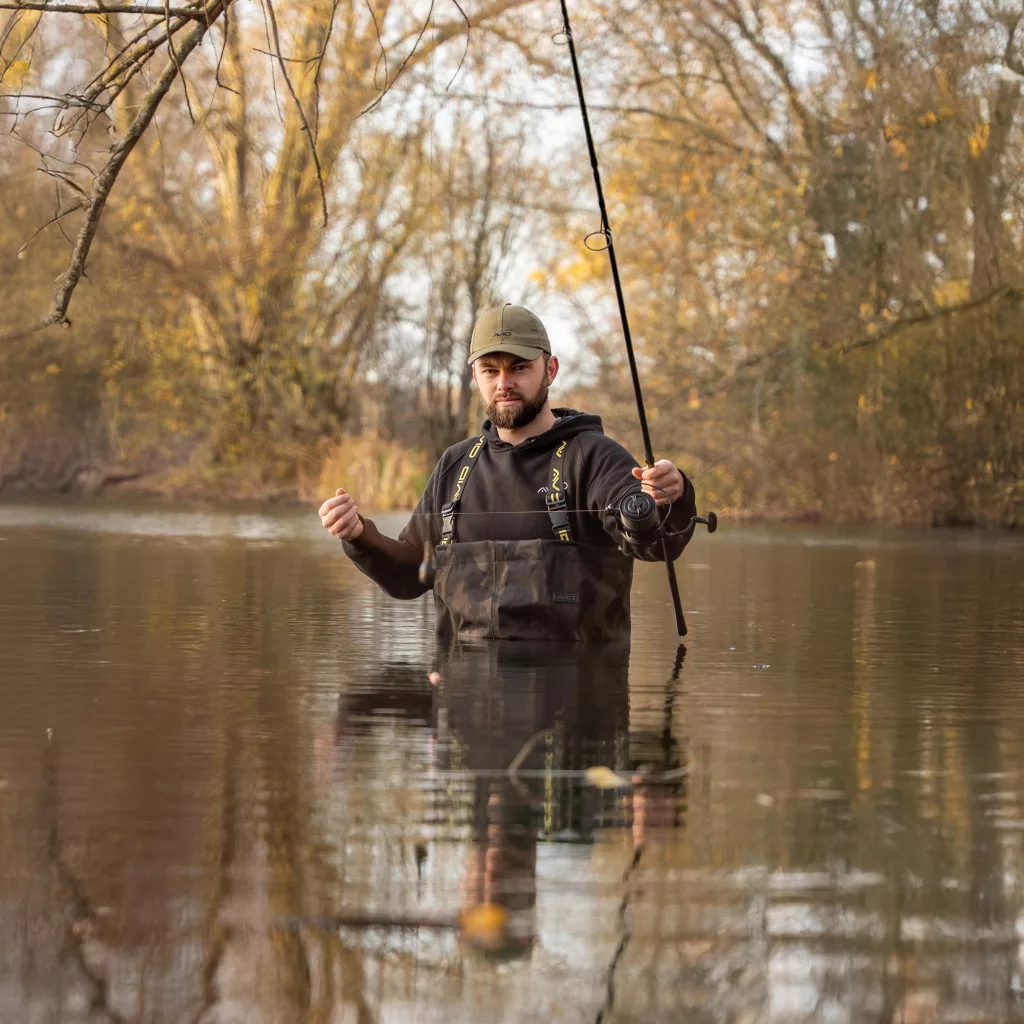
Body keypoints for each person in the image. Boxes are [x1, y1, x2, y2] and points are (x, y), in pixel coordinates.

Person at [319, 303, 697, 641]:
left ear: (550, 370)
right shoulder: (454, 465)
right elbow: (408, 576)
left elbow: (653, 543)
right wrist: (359, 536)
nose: (504, 384)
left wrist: (668, 494)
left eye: (519, 367)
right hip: (463, 689)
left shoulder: (594, 456)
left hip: (576, 689)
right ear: (475, 376)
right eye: (491, 370)